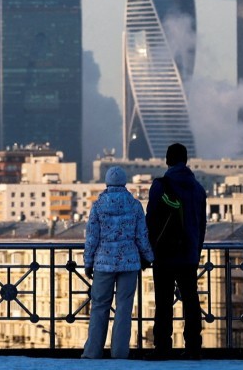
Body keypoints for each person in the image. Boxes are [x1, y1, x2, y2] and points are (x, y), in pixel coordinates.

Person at [82, 165, 155, 359]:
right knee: (124, 308)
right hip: (129, 263)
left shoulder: (98, 205)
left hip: (103, 263)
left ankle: (92, 352)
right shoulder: (134, 205)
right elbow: (142, 236)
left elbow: (91, 238)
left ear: (107, 182)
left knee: (99, 306)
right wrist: (149, 257)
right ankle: (119, 353)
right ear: (124, 182)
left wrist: (88, 262)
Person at [146, 142, 208, 360]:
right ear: (186, 160)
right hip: (189, 254)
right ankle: (193, 347)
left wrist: (149, 251)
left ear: (167, 160)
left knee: (163, 302)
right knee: (191, 301)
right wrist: (196, 251)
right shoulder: (198, 189)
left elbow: (151, 220)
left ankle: (162, 347)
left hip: (164, 254)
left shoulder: (160, 186)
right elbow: (202, 225)